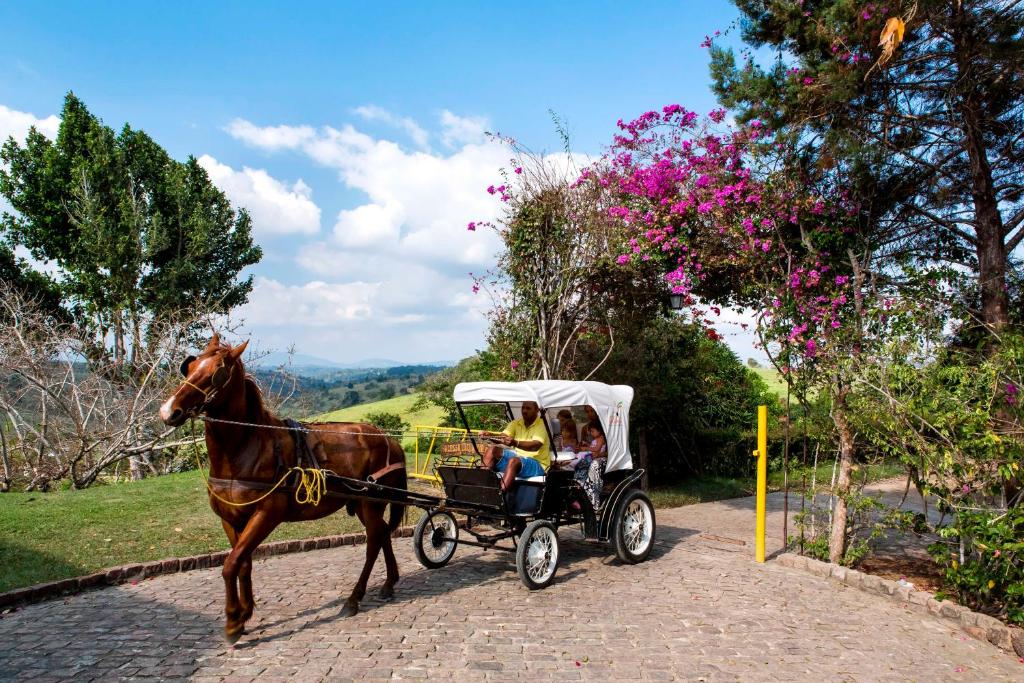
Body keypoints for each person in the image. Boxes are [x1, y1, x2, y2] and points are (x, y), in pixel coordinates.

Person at [479, 401, 551, 491]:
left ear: (537, 410)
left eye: (528, 408)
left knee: (514, 461)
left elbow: (535, 446)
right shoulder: (516, 423)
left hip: (538, 464)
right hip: (520, 458)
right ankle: (481, 487)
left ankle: (499, 495)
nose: (524, 411)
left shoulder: (542, 424)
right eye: (523, 408)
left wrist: (515, 443)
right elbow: (502, 437)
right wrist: (489, 435)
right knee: (492, 450)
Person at [574, 421, 607, 510]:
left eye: (592, 431)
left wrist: (586, 448)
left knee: (583, 465)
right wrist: (587, 445)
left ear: (599, 431)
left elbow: (597, 449)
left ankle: (591, 498)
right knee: (581, 468)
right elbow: (594, 446)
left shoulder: (601, 438)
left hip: (594, 458)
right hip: (592, 457)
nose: (591, 433)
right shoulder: (595, 440)